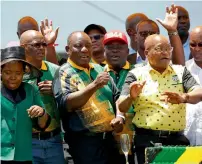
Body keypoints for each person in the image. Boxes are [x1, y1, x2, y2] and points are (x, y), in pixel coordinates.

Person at [117, 34, 202, 164]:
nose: (165, 52)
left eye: (168, 48)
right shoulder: (135, 74)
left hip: (177, 142)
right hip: (147, 142)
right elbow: (122, 106)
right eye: (159, 49)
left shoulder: (181, 71)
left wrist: (184, 97)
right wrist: (131, 97)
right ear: (146, 52)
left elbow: (199, 92)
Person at [53, 31, 124, 164]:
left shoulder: (99, 69)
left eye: (88, 45)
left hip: (109, 140)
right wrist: (95, 85)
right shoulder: (63, 72)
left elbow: (117, 97)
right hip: (83, 144)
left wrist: (120, 116)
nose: (84, 49)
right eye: (78, 46)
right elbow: (67, 103)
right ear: (68, 50)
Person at [20, 30, 65, 164]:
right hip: (26, 142)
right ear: (23, 47)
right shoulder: (15, 73)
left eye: (44, 44)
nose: (41, 48)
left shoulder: (56, 70)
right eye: (36, 45)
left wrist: (55, 91)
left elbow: (68, 102)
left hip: (54, 141)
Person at [1, 46, 49, 163]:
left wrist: (41, 113)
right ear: (1, 72)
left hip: (23, 156)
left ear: (24, 72)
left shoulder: (31, 90)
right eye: (7, 72)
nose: (13, 77)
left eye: (18, 73)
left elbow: (43, 124)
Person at [103, 30, 135, 164]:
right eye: (110, 48)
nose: (115, 51)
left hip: (133, 138)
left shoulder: (137, 72)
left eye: (119, 47)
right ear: (104, 51)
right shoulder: (95, 73)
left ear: (127, 51)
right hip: (104, 141)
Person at [184, 26, 202, 146]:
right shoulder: (183, 69)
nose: (196, 49)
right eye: (192, 44)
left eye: (201, 45)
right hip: (187, 139)